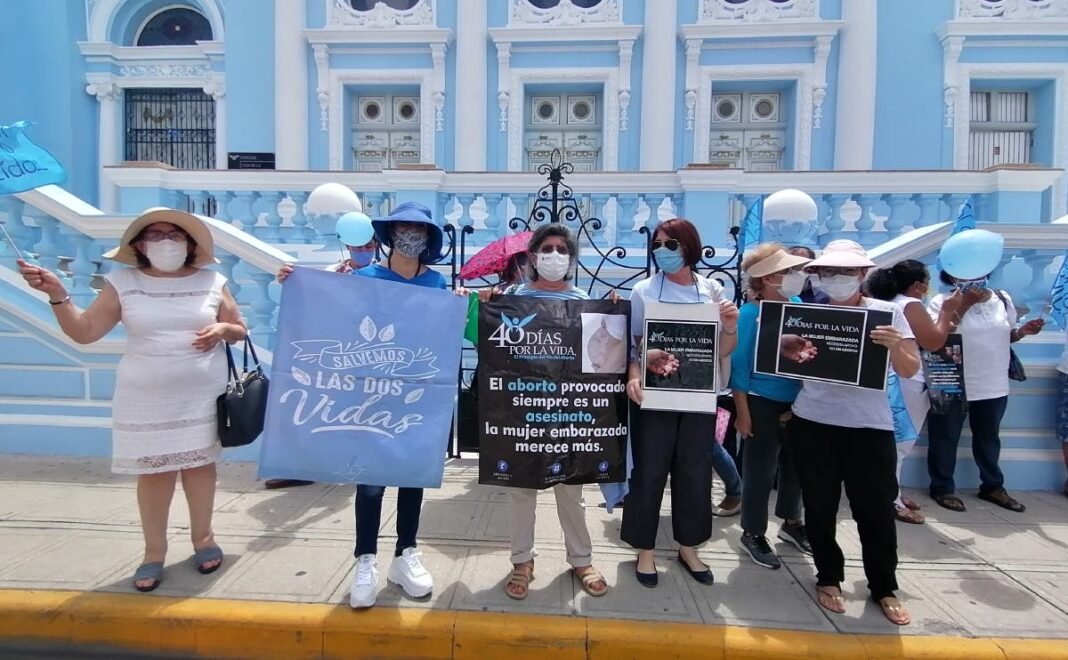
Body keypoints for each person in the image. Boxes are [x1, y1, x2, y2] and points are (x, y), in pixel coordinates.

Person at [18, 208, 246, 592]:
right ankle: (153, 553)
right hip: (146, 396)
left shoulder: (212, 281)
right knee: (155, 473)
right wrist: (59, 296)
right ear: (139, 245)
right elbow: (85, 331)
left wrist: (224, 328)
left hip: (200, 395)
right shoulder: (123, 283)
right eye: (154, 235)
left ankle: (204, 540)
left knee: (199, 469)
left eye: (174, 234)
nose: (165, 241)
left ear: (189, 244)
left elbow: (240, 330)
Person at [279, 201, 465, 609]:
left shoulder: (437, 285)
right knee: (371, 480)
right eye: (404, 226)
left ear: (427, 239)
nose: (411, 234)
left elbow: (456, 332)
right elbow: (326, 313)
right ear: (391, 232)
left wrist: (464, 304)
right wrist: (296, 282)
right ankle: (365, 560)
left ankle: (406, 554)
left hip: (415, 394)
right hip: (369, 397)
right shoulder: (361, 278)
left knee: (412, 474)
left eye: (419, 228)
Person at [788, 240, 919, 626]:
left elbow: (910, 369)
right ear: (818, 275)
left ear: (862, 274)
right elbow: (786, 364)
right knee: (820, 506)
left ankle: (884, 586)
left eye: (847, 272)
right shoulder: (808, 316)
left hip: (870, 427)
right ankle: (828, 576)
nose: (838, 279)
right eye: (830, 272)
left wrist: (896, 347)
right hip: (813, 421)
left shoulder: (888, 313)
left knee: (875, 510)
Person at [477, 224, 609, 601]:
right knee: (521, 492)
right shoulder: (510, 299)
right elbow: (483, 343)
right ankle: (522, 561)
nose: (554, 255)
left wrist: (613, 313)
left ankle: (581, 559)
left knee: (572, 491)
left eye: (561, 249)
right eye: (546, 249)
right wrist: (482, 304)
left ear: (570, 257)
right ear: (533, 257)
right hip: (522, 413)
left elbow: (601, 355)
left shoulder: (584, 299)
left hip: (569, 415)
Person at [622, 218, 739, 588]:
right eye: (657, 245)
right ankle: (645, 550)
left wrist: (731, 326)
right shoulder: (643, 291)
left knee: (694, 472)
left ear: (689, 247)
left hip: (698, 397)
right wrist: (634, 376)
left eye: (669, 244)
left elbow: (723, 349)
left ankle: (689, 546)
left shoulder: (712, 291)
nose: (661, 251)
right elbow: (634, 345)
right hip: (655, 396)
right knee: (649, 471)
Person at [266, 211, 379, 491]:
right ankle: (305, 466)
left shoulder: (383, 274)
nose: (364, 252)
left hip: (369, 354)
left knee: (363, 413)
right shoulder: (332, 273)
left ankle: (361, 464)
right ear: (347, 246)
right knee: (320, 409)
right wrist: (290, 279)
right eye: (358, 247)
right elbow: (310, 299)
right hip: (336, 354)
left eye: (369, 246)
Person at [926, 271, 1044, 513]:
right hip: (952, 380)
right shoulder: (942, 302)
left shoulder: (1001, 299)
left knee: (988, 437)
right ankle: (942, 487)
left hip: (993, 381)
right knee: (945, 437)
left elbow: (1007, 334)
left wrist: (1023, 332)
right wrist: (965, 303)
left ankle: (992, 486)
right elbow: (939, 337)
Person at [730, 243, 813, 569]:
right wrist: (743, 412)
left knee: (796, 468)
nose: (792, 277)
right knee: (760, 471)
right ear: (763, 278)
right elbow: (739, 366)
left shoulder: (799, 306)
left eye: (793, 271)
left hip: (799, 402)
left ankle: (792, 522)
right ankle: (753, 531)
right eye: (784, 272)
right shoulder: (750, 314)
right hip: (761, 400)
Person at [867, 260, 964, 524]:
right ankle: (891, 500)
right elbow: (932, 341)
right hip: (907, 379)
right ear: (918, 285)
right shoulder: (909, 305)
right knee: (901, 444)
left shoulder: (889, 302)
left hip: (895, 378)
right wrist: (947, 312)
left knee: (895, 442)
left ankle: (892, 491)